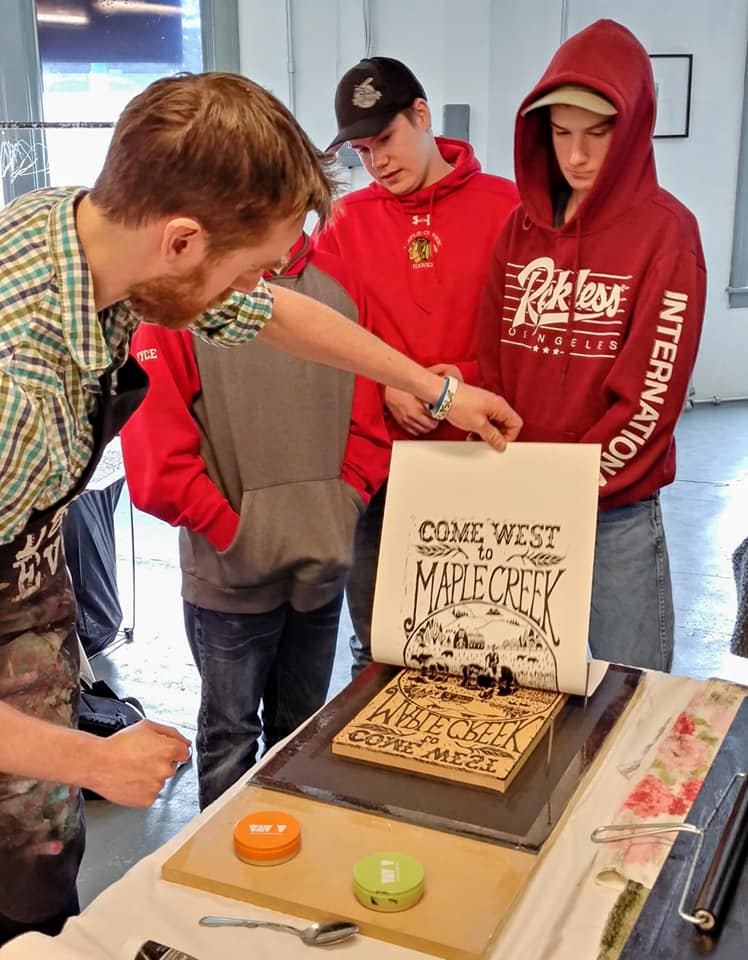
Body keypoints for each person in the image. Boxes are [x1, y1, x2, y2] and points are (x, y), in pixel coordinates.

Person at [0, 70, 520, 942]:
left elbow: (268, 313)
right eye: (245, 265)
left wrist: (433, 391)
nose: (255, 288)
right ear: (182, 242)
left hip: (32, 649)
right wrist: (90, 757)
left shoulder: (96, 232)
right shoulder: (16, 389)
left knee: (44, 883)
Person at [120, 233, 391, 809]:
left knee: (303, 734)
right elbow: (155, 462)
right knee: (230, 740)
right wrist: (233, 532)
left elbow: (369, 421)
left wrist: (339, 508)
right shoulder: (177, 301)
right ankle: (223, 883)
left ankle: (289, 876)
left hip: (320, 567)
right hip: (228, 581)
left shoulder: (344, 284)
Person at [477, 19, 706, 671]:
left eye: (598, 133)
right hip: (516, 502)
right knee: (515, 692)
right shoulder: (518, 231)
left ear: (632, 129)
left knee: (631, 700)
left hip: (615, 518)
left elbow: (649, 401)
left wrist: (568, 484)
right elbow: (492, 361)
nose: (575, 156)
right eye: (560, 133)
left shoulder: (668, 237)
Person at [316, 56, 519, 676]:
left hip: (481, 453)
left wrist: (452, 377)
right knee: (378, 644)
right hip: (380, 463)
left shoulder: (508, 206)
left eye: (386, 140)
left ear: (422, 115)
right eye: (362, 150)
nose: (376, 162)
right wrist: (383, 386)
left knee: (484, 634)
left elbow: (529, 332)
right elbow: (320, 334)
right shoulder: (345, 222)